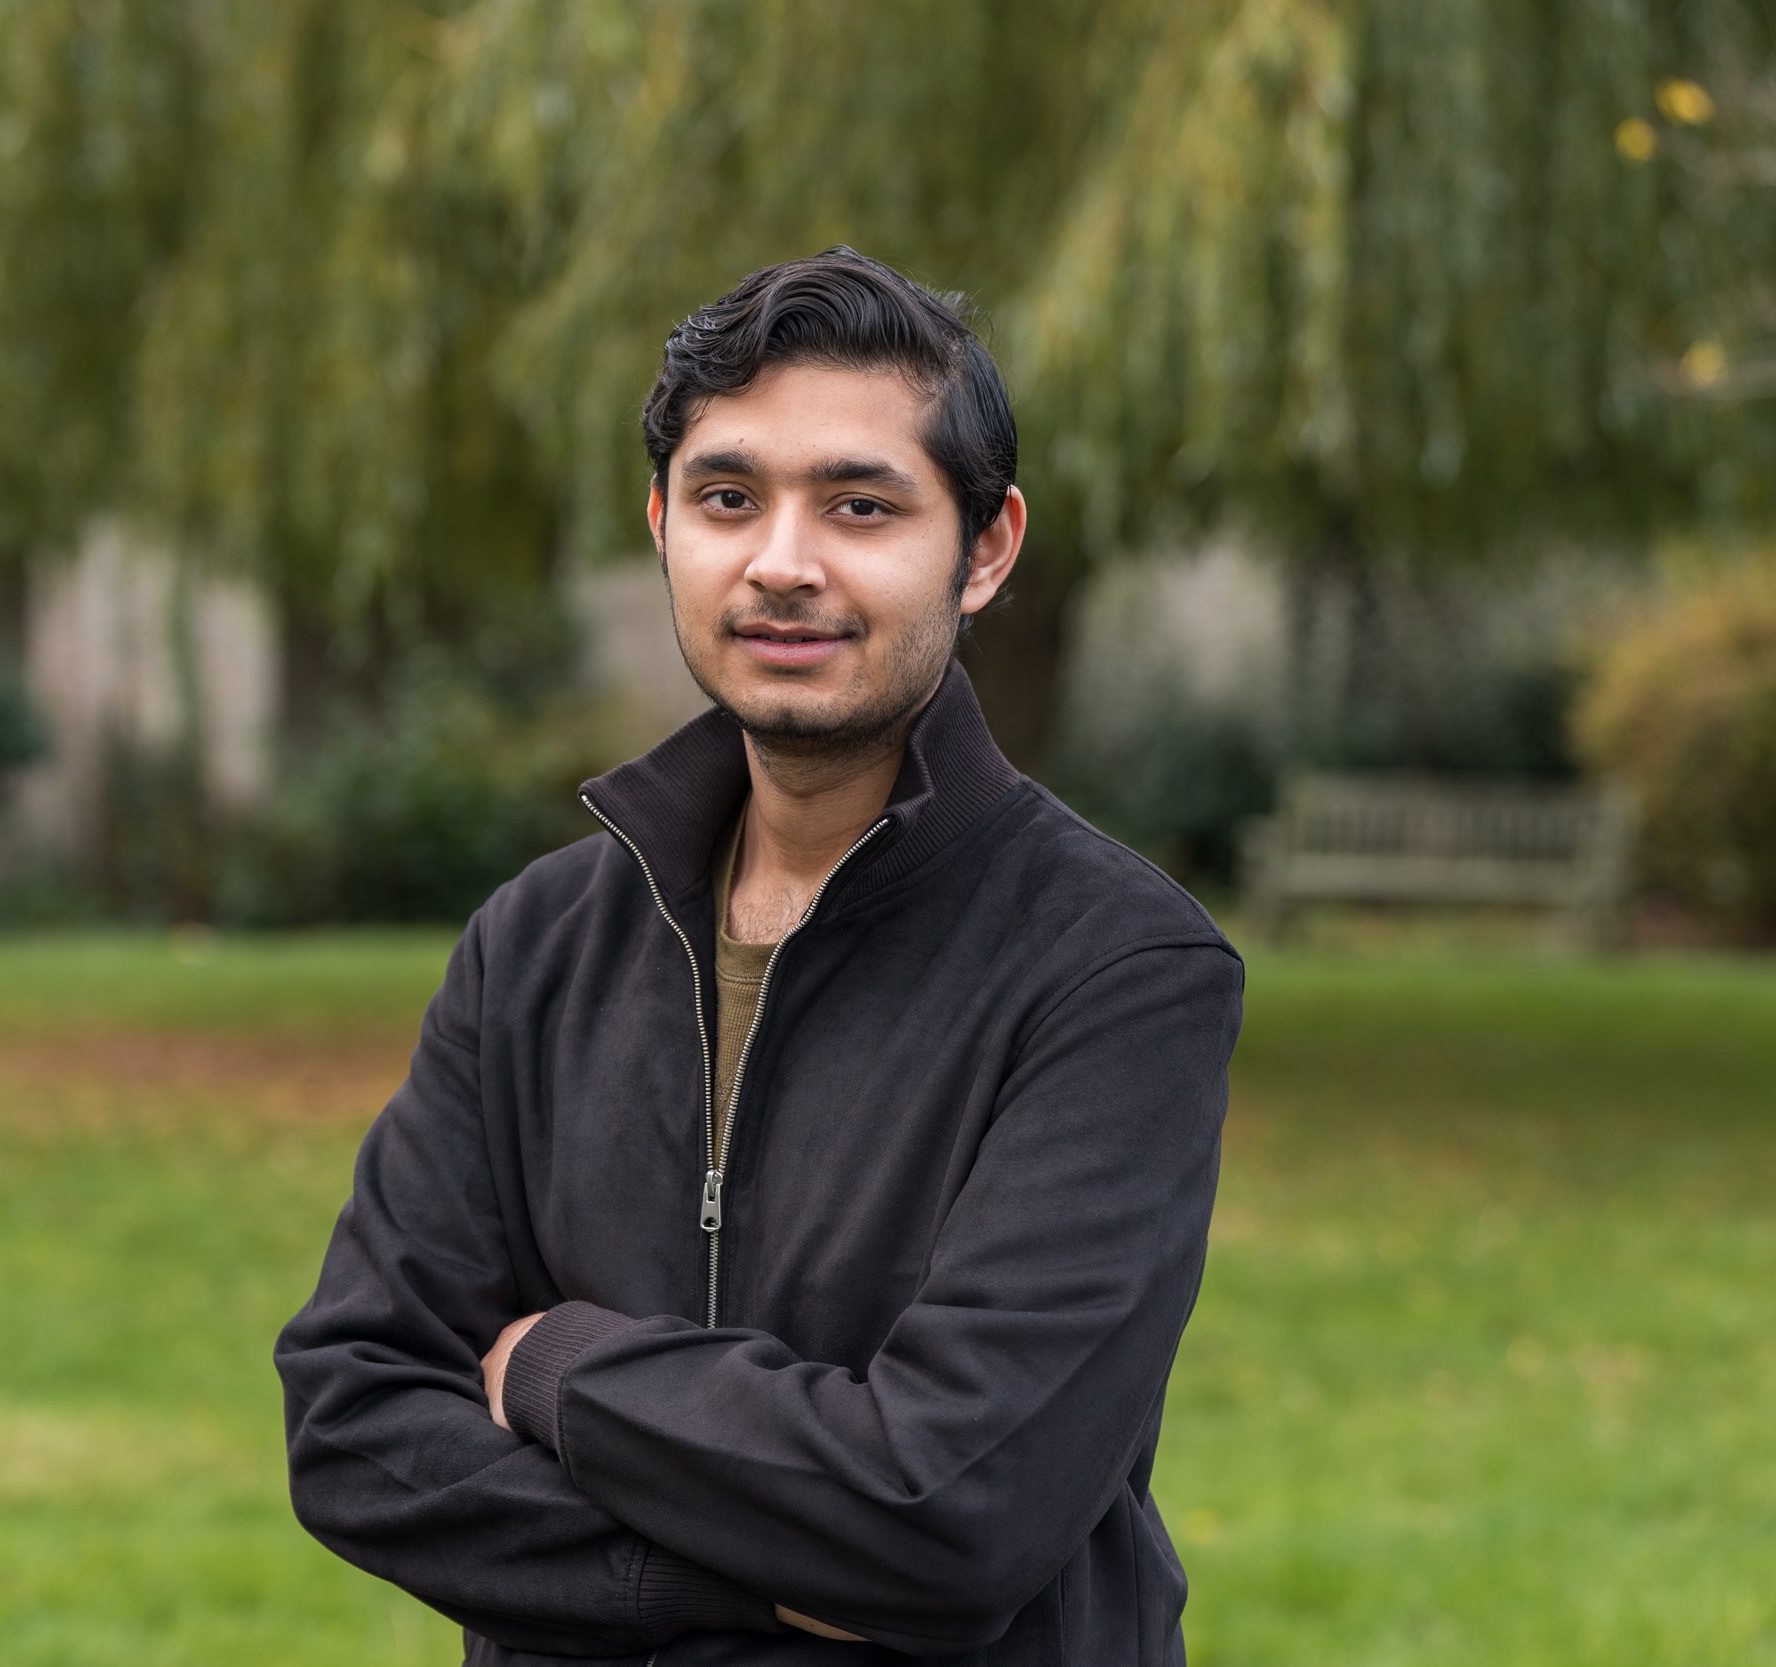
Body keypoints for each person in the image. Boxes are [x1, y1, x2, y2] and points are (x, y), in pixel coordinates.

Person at [275, 248, 1243, 1665]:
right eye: (729, 498)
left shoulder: (1118, 968)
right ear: (662, 524)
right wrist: (723, 1583)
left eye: (861, 506)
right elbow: (354, 1420)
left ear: (985, 549)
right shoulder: (536, 944)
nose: (783, 564)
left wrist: (555, 1365)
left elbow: (952, 1507)